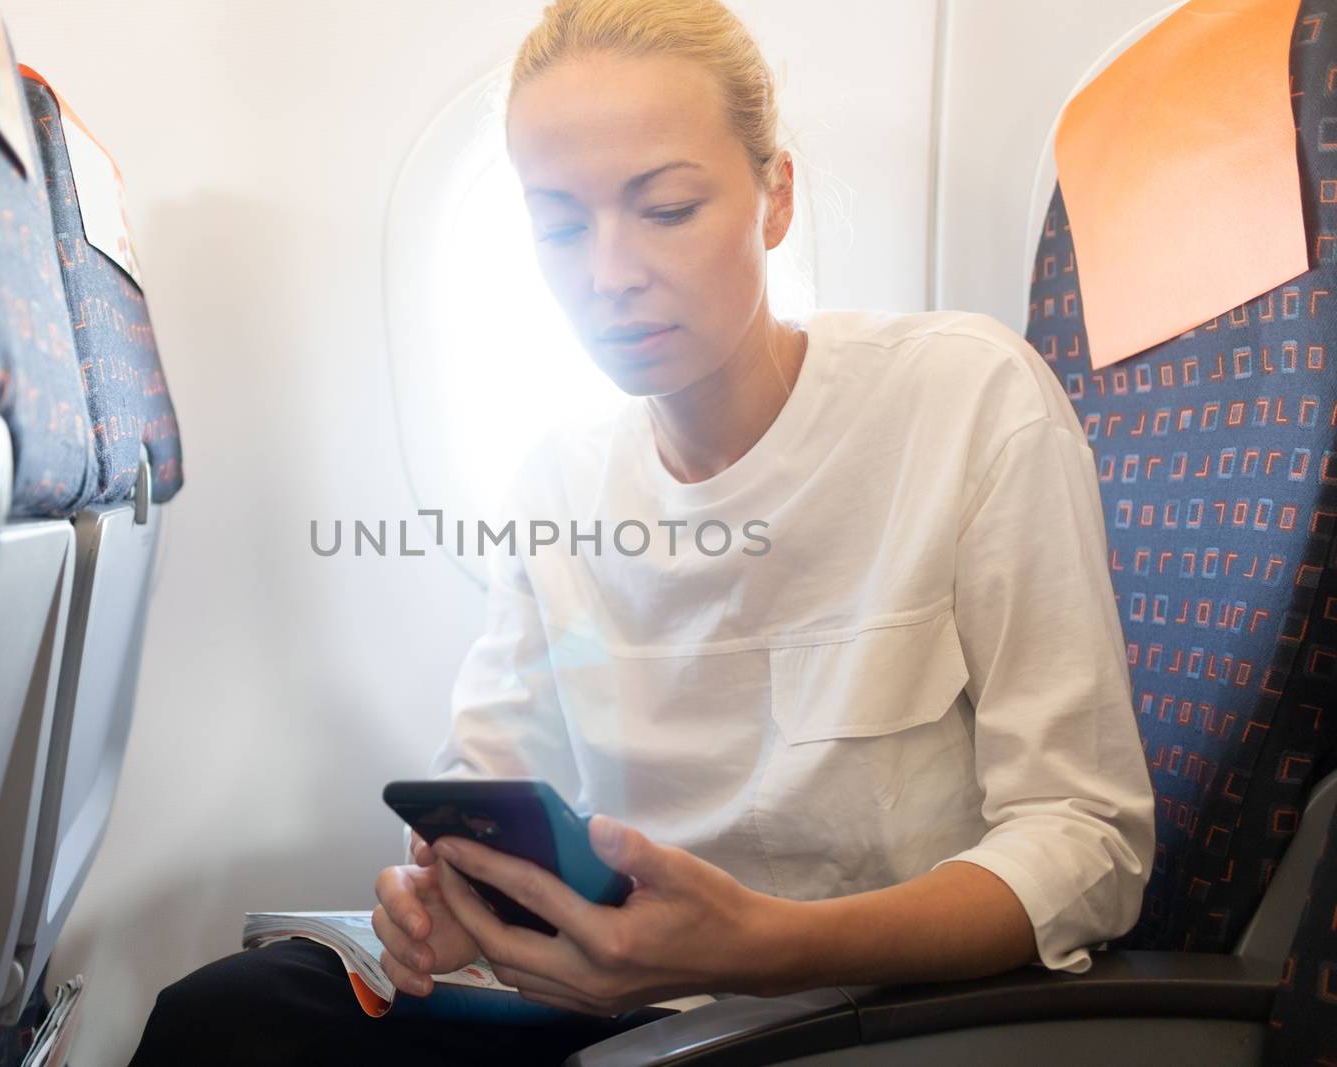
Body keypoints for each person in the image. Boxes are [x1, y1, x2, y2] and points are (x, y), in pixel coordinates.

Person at [128, 0, 1156, 1061]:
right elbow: (486, 771)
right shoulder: (557, 478)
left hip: (856, 1016)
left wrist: (760, 944)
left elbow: (1088, 843)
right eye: (560, 226)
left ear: (774, 196)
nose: (607, 274)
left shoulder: (965, 402)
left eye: (665, 208)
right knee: (224, 1016)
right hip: (604, 997)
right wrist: (441, 895)